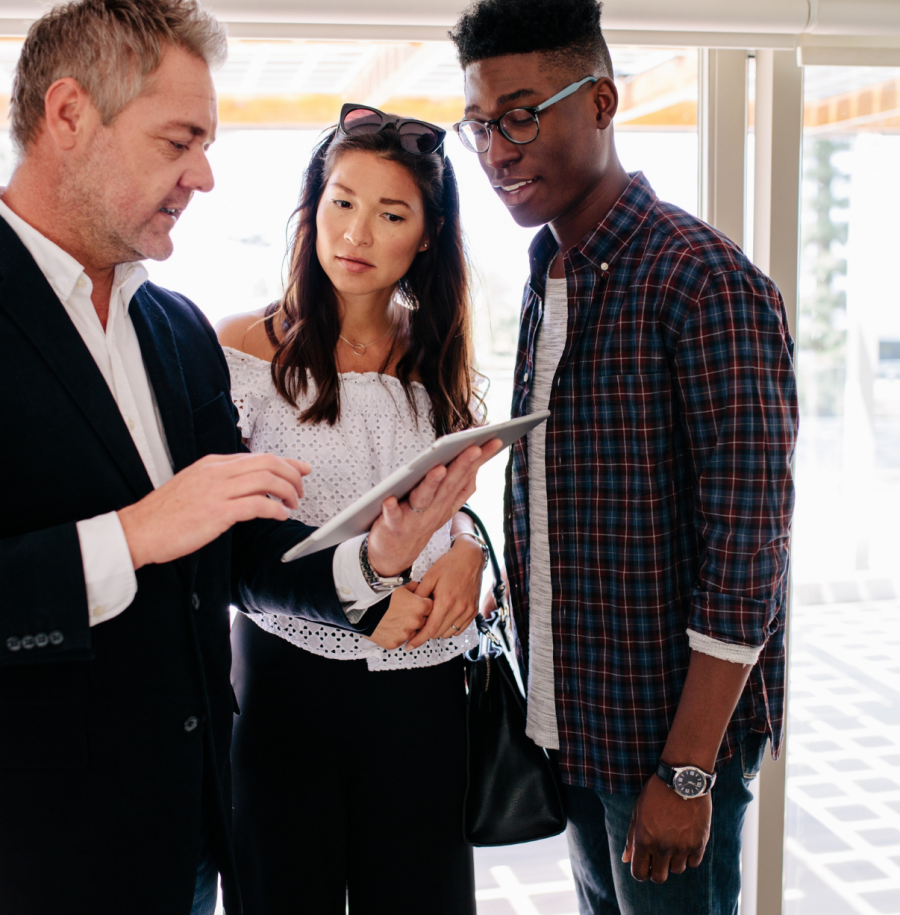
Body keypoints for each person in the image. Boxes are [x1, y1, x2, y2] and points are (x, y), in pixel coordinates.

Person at [0, 3, 499, 914]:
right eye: (180, 140)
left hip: (192, 837)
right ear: (68, 115)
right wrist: (136, 535)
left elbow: (244, 551)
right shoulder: (228, 341)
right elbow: (162, 536)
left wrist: (380, 559)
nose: (207, 175)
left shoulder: (173, 329)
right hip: (37, 854)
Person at [448, 1, 798, 912]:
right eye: (479, 124)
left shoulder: (703, 281)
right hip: (576, 731)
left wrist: (686, 773)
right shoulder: (550, 275)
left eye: (521, 115)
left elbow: (748, 549)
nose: (496, 150)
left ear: (601, 101)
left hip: (665, 748)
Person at [216, 108, 484, 915]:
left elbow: (452, 499)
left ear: (428, 236)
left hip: (425, 691)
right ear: (312, 208)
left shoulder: (439, 356)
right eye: (341, 201)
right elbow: (228, 546)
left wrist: (470, 549)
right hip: (288, 687)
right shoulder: (240, 348)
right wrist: (369, 587)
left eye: (391, 214)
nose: (357, 232)